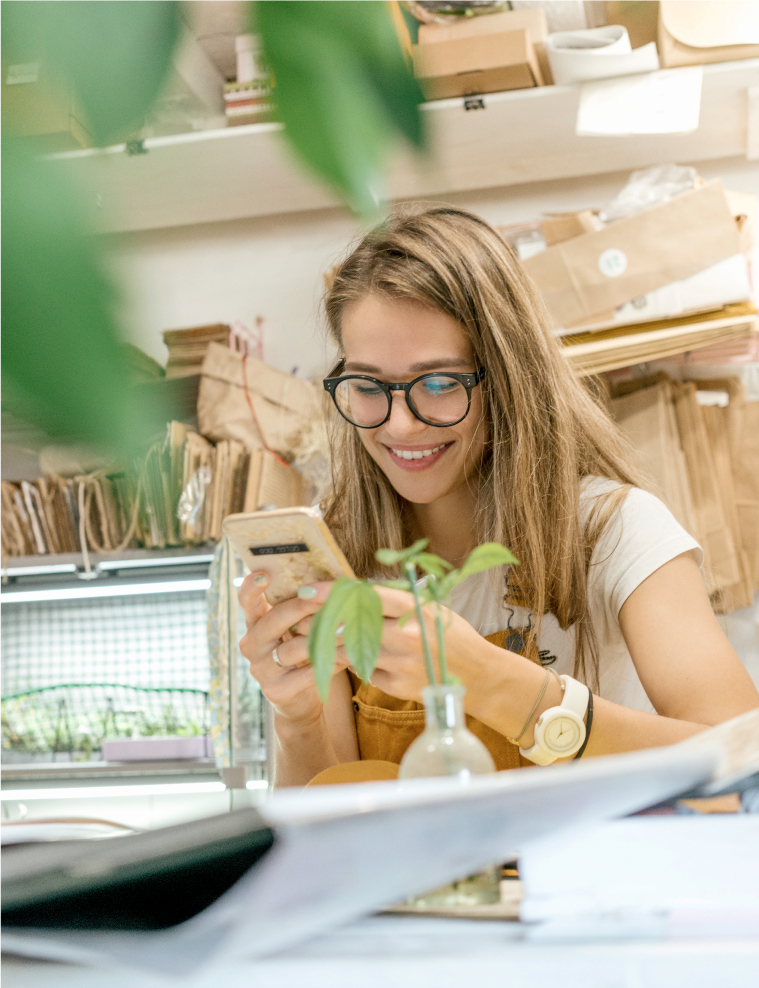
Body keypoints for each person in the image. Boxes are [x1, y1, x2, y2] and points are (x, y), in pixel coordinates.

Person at [239, 206, 759, 786]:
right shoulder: (335, 558)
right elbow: (327, 829)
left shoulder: (615, 530)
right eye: (368, 385)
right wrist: (299, 719)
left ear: (507, 377)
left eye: (439, 383)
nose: (402, 425)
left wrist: (494, 682)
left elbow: (741, 761)